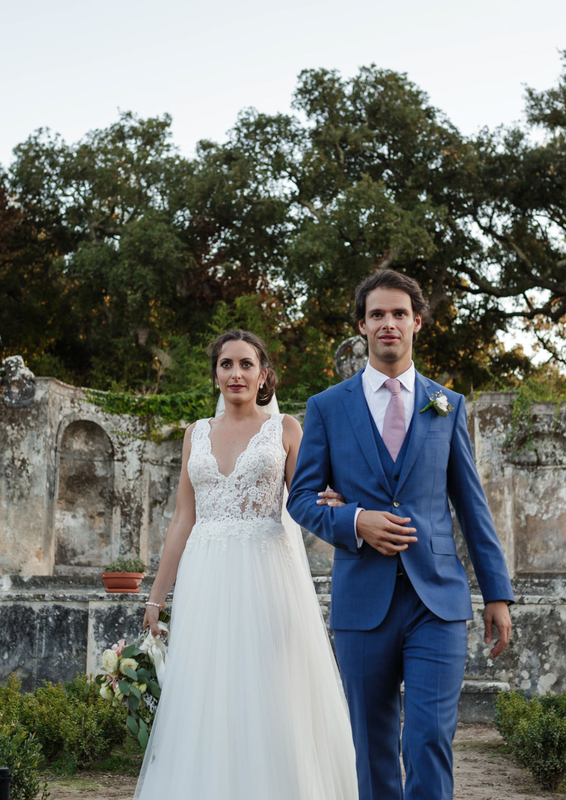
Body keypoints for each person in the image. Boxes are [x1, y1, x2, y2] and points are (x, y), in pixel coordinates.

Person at [287, 269, 515, 800]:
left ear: (417, 323)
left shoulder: (446, 404)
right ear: (362, 327)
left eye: (398, 313)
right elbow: (300, 498)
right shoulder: (327, 407)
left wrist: (497, 594)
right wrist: (355, 521)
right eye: (377, 315)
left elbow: (472, 507)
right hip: (362, 600)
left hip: (437, 598)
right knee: (371, 746)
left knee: (429, 738)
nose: (388, 323)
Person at [135, 330, 358, 800]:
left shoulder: (286, 429)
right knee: (207, 689)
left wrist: (339, 507)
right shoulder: (195, 434)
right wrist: (156, 598)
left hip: (266, 573)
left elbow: (305, 501)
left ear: (263, 375)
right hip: (205, 576)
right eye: (226, 364)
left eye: (246, 364)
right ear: (215, 374)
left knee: (270, 686)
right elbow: (182, 518)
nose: (236, 373)